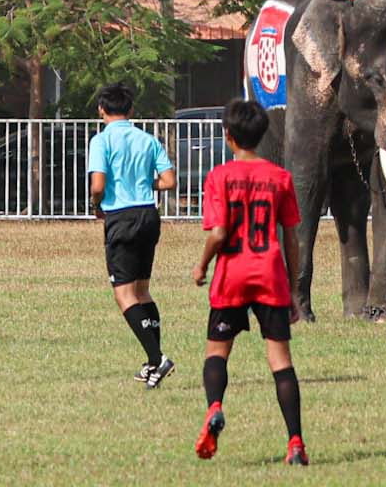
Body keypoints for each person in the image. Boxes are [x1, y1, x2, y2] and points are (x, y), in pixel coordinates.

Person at [190, 99, 307, 466]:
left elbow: (219, 231)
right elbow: (292, 238)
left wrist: (202, 265)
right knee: (280, 361)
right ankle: (295, 443)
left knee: (216, 352)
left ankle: (215, 407)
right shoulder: (280, 178)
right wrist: (292, 287)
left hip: (232, 276)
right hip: (270, 273)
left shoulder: (219, 177)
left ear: (228, 136)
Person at [87, 84, 178, 388]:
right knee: (142, 290)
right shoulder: (148, 139)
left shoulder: (101, 141)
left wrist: (95, 204)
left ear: (101, 110)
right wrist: (143, 183)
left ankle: (158, 359)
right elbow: (169, 181)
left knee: (124, 294)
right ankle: (153, 363)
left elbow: (98, 184)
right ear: (131, 111)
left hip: (121, 218)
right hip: (148, 216)